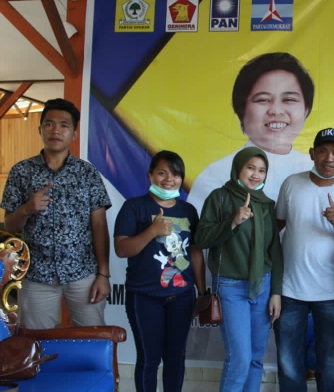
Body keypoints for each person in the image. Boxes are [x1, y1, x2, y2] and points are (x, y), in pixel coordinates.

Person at [0, 98, 111, 329]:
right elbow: (10, 225)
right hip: (36, 275)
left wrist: (103, 275)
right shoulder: (21, 171)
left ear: (74, 134)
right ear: (40, 129)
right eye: (49, 124)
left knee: (90, 339)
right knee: (36, 344)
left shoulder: (87, 173)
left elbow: (99, 226)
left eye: (64, 125)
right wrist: (26, 209)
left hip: (83, 273)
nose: (56, 130)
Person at [275, 128, 334, 392]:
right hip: (290, 290)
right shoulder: (291, 184)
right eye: (323, 151)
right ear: (312, 153)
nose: (329, 158)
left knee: (331, 360)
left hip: (332, 292)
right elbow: (275, 229)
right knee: (288, 360)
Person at [113, 150, 204, 392]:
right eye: (162, 172)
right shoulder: (134, 207)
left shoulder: (188, 211)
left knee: (176, 357)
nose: (169, 179)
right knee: (149, 359)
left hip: (182, 297)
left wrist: (202, 291)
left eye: (175, 174)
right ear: (150, 175)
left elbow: (194, 252)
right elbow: (121, 249)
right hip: (144, 297)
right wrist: (152, 231)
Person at [195, 147, 283, 392]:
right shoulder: (220, 198)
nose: (256, 175)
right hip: (230, 287)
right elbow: (201, 239)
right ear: (238, 168)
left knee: (255, 358)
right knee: (240, 359)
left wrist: (276, 292)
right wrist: (233, 221)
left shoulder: (266, 204)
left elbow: (274, 250)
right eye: (250, 168)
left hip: (262, 285)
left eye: (261, 170)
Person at [188, 52, 314, 209]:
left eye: (289, 99)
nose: (276, 111)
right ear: (242, 110)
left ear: (306, 109)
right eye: (263, 100)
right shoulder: (216, 174)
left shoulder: (314, 169)